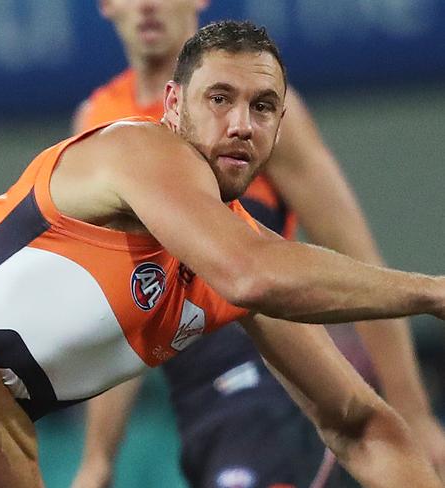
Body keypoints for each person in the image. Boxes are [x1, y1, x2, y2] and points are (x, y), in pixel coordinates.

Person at [0, 20, 445, 487]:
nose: (241, 123)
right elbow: (252, 276)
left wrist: (410, 433)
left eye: (264, 107)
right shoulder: (136, 150)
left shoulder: (241, 263)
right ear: (171, 106)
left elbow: (361, 427)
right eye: (219, 99)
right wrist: (432, 292)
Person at [70, 2, 445, 487]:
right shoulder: (99, 123)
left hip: (273, 387)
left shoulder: (254, 116)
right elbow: (123, 306)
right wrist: (98, 458)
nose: (147, 4)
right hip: (198, 407)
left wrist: (413, 412)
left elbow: (355, 259)